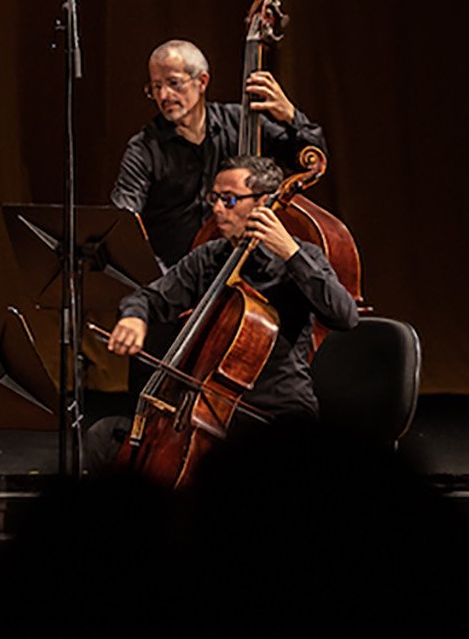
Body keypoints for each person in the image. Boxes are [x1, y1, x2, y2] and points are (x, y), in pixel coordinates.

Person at [94, 155, 359, 465]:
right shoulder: (209, 257)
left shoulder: (301, 258)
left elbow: (345, 316)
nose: (217, 209)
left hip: (274, 414)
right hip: (206, 409)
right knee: (102, 438)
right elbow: (151, 297)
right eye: (214, 198)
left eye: (229, 200)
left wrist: (291, 253)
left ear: (263, 203)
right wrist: (134, 317)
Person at [110, 39, 326, 268]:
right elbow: (122, 221)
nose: (164, 95)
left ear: (202, 81)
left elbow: (311, 159)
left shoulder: (239, 123)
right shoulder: (144, 148)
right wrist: (160, 276)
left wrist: (291, 115)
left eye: (174, 83)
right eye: (156, 87)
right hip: (177, 276)